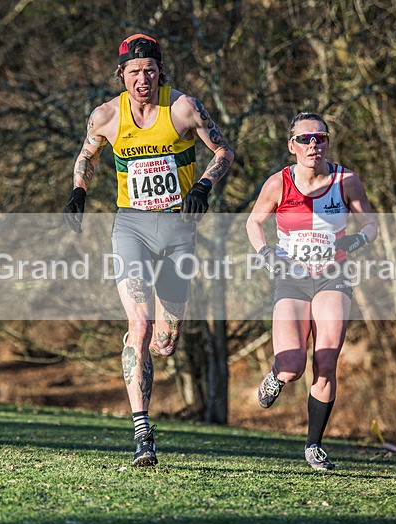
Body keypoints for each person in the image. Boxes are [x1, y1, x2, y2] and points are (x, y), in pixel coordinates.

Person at [63, 34, 234, 467]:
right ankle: (142, 433)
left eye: (150, 71)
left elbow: (223, 150)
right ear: (121, 76)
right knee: (139, 325)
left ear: (160, 72)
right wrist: (78, 192)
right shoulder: (105, 116)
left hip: (178, 227)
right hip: (131, 227)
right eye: (135, 72)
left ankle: (145, 343)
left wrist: (203, 185)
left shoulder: (182, 108)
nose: (143, 79)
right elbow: (87, 156)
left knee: (165, 342)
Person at [245, 112, 378, 470]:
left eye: (319, 137)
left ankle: (313, 445)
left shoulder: (346, 180)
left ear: (327, 142)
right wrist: (265, 252)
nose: (313, 144)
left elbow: (370, 223)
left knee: (326, 360)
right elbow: (254, 221)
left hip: (333, 275)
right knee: (292, 367)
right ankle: (275, 378)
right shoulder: (278, 183)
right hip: (292, 278)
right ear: (292, 146)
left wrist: (357, 239)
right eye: (305, 139)